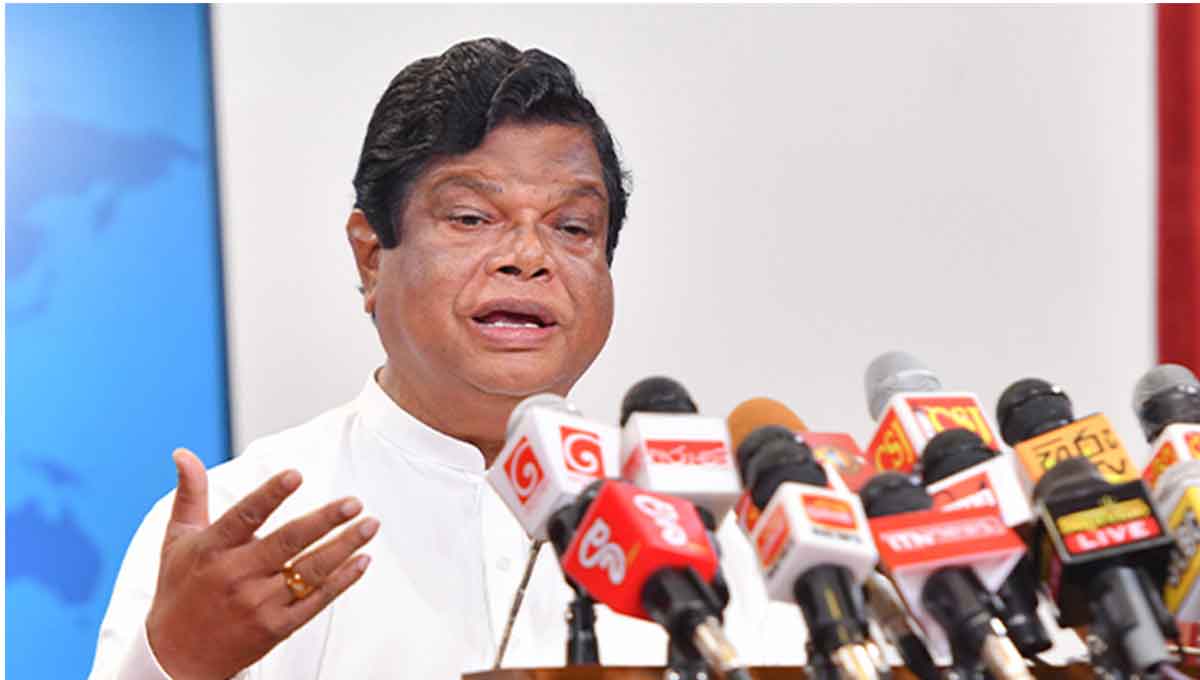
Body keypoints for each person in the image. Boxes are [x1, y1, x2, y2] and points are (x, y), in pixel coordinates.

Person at [89, 37, 802, 680]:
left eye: (573, 226)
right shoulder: (241, 535)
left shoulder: (701, 527)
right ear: (372, 257)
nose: (529, 257)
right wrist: (178, 663)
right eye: (471, 218)